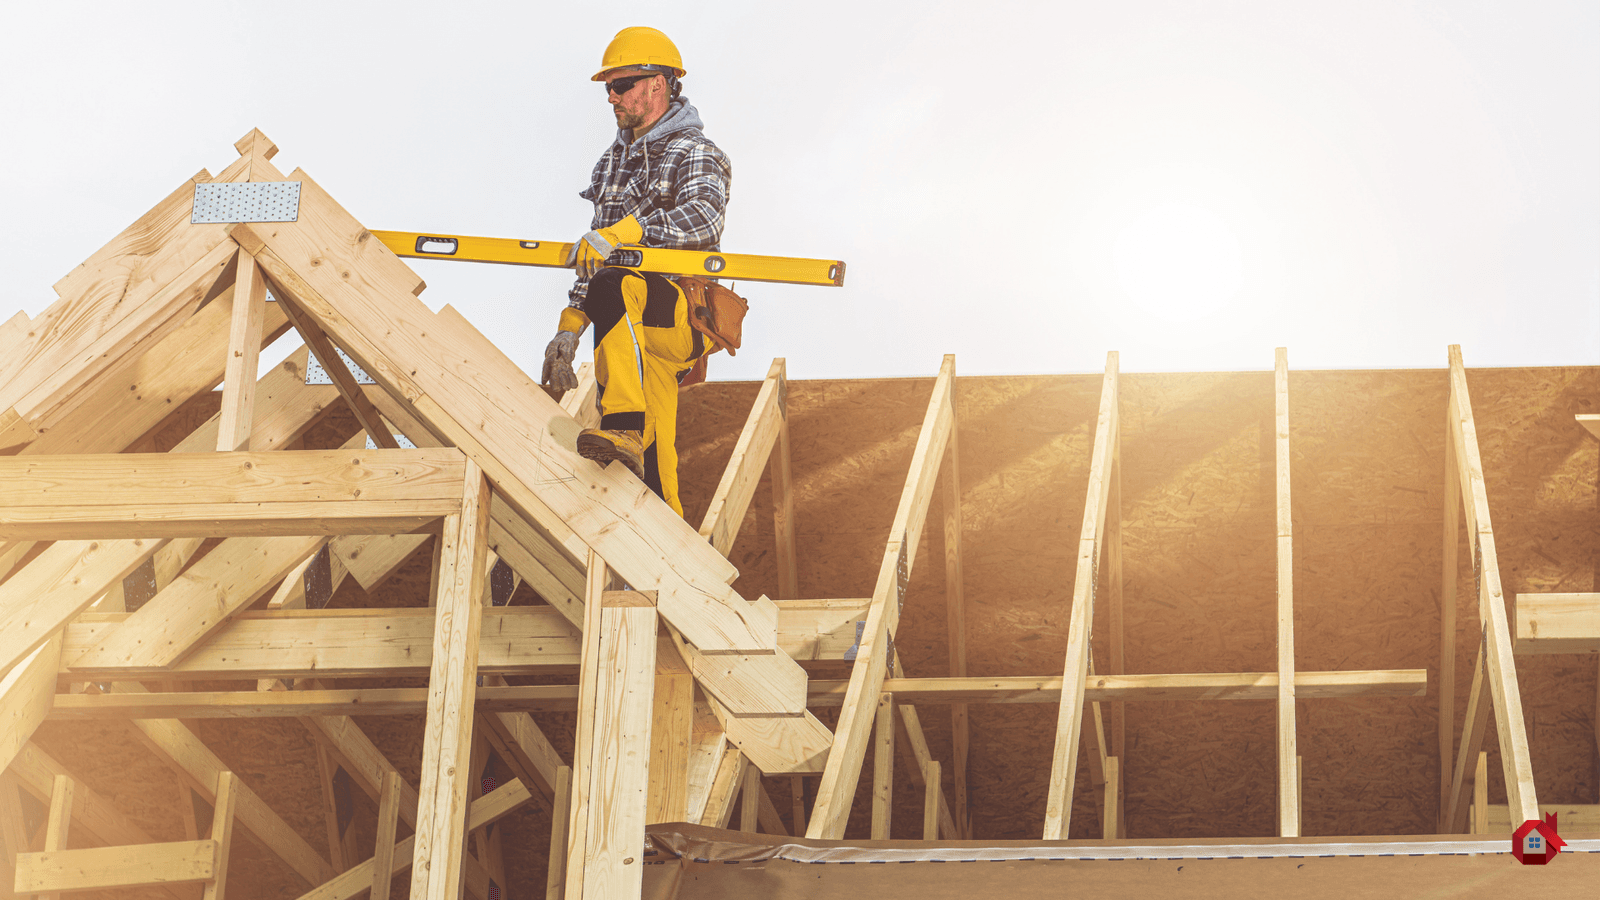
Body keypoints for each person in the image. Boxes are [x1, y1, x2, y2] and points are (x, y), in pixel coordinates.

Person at [540, 26, 732, 519]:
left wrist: (626, 232)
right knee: (649, 460)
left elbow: (703, 221)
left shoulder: (696, 152)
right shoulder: (611, 165)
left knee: (616, 281)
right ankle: (677, 555)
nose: (612, 96)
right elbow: (593, 255)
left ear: (658, 85)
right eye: (608, 87)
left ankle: (623, 419)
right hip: (627, 331)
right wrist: (569, 328)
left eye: (621, 85)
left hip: (679, 317)